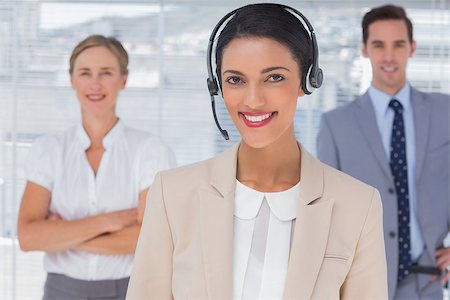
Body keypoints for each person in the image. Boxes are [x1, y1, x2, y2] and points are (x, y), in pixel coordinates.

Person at [126, 3, 388, 299]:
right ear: (217, 87)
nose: (253, 100)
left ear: (306, 80)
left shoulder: (357, 204)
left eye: (274, 77)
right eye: (235, 80)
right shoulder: (172, 194)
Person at [17, 35, 175, 300]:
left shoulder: (151, 151)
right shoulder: (48, 150)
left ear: (123, 80)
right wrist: (109, 221)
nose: (95, 83)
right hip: (60, 291)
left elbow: (151, 239)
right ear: (72, 80)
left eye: (106, 72)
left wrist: (63, 235)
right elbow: (29, 237)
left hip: (129, 290)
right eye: (85, 73)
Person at [317, 4, 450, 300]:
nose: (389, 56)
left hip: (426, 282)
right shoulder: (336, 125)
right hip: (361, 282)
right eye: (379, 45)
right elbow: (323, 210)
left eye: (398, 44)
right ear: (365, 49)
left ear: (412, 48)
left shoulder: (445, 113)